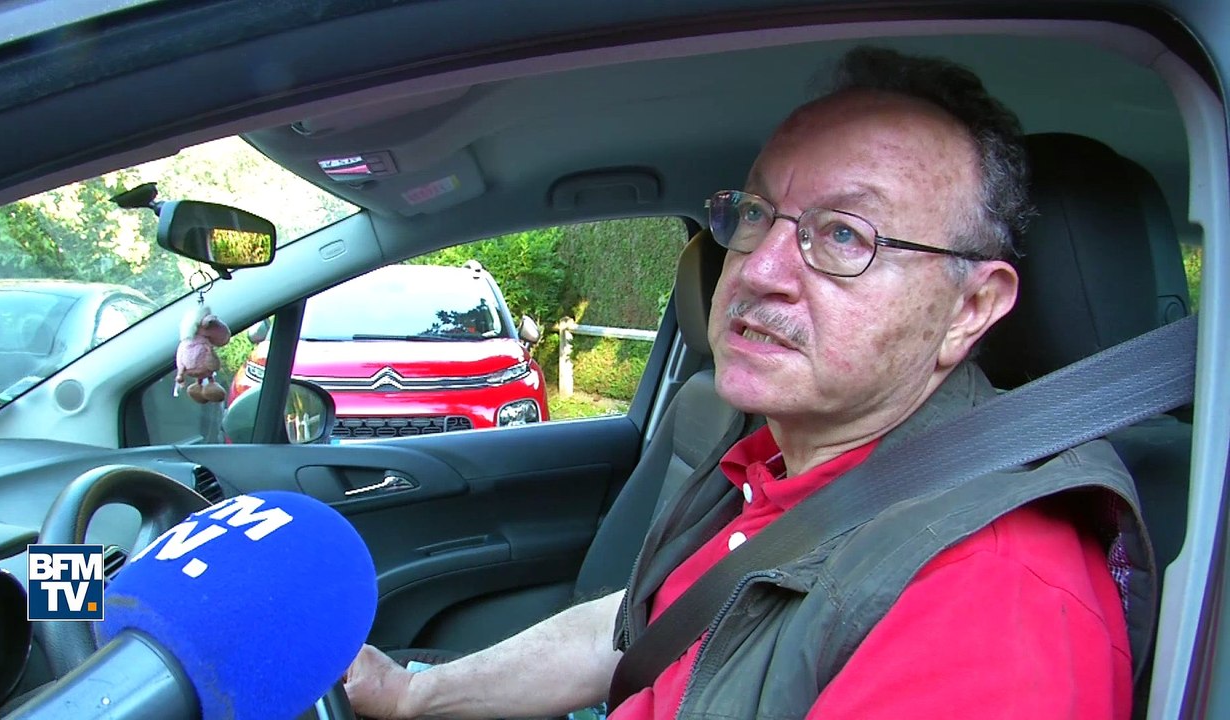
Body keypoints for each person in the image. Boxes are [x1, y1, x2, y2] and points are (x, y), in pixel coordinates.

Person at [344, 46, 1140, 719]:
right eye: (758, 212)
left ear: (971, 309)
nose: (756, 268)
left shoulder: (993, 602)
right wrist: (417, 695)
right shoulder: (770, 451)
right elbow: (631, 634)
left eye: (844, 235)